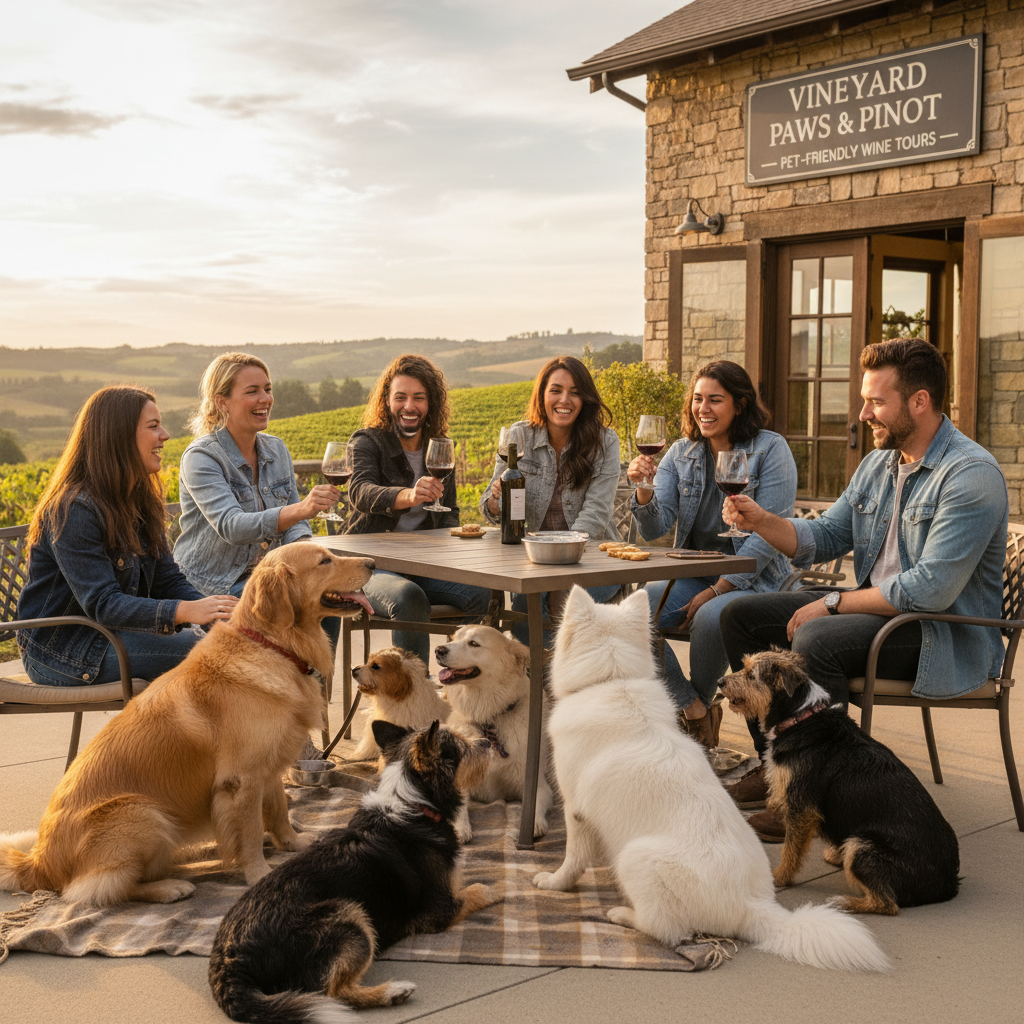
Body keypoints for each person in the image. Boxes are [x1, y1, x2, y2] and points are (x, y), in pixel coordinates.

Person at [720, 338, 1009, 839]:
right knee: (739, 615)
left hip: (944, 635)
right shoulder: (880, 463)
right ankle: (779, 769)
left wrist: (831, 603)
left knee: (817, 639)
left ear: (919, 402)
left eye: (876, 401)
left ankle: (815, 799)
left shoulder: (970, 474)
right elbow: (827, 536)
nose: (862, 412)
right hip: (883, 615)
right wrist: (762, 520)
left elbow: (932, 588)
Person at [626, 360, 797, 747]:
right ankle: (696, 709)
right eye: (698, 399)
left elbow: (769, 538)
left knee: (711, 617)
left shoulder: (771, 449)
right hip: (692, 573)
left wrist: (718, 589)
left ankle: (697, 713)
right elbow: (653, 528)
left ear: (740, 404)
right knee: (633, 615)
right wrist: (643, 489)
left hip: (756, 580)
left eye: (715, 400)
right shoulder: (680, 454)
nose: (703, 408)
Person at [17, 385, 237, 687]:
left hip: (113, 636)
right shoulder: (74, 509)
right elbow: (104, 604)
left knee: (237, 641)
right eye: (153, 426)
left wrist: (215, 615)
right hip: (63, 652)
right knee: (219, 657)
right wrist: (188, 611)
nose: (165, 435)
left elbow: (167, 581)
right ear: (119, 437)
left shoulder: (137, 500)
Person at [174, 353, 342, 643]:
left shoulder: (277, 450)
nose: (265, 398)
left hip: (265, 579)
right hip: (212, 586)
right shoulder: (201, 457)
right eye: (252, 391)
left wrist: (305, 555)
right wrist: (302, 509)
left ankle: (314, 688)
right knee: (289, 612)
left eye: (267, 389)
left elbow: (295, 526)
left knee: (327, 602)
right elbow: (231, 526)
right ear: (221, 401)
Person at [346, 354, 492, 665]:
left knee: (485, 592)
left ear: (431, 403)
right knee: (408, 597)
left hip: (424, 565)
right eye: (400, 397)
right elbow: (360, 491)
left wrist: (455, 549)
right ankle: (413, 698)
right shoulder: (368, 442)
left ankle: (465, 677)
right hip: (370, 565)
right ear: (387, 401)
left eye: (418, 398)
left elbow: (448, 513)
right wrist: (408, 495)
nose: (409, 406)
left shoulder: (439, 448)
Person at [480, 355, 621, 645]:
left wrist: (558, 555)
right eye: (556, 390)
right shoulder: (519, 435)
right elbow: (493, 508)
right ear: (542, 394)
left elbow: (596, 514)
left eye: (575, 392)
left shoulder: (605, 442)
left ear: (586, 399)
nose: (564, 400)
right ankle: (538, 681)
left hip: (591, 559)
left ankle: (563, 682)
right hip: (533, 562)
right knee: (525, 602)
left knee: (564, 595)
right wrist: (497, 500)